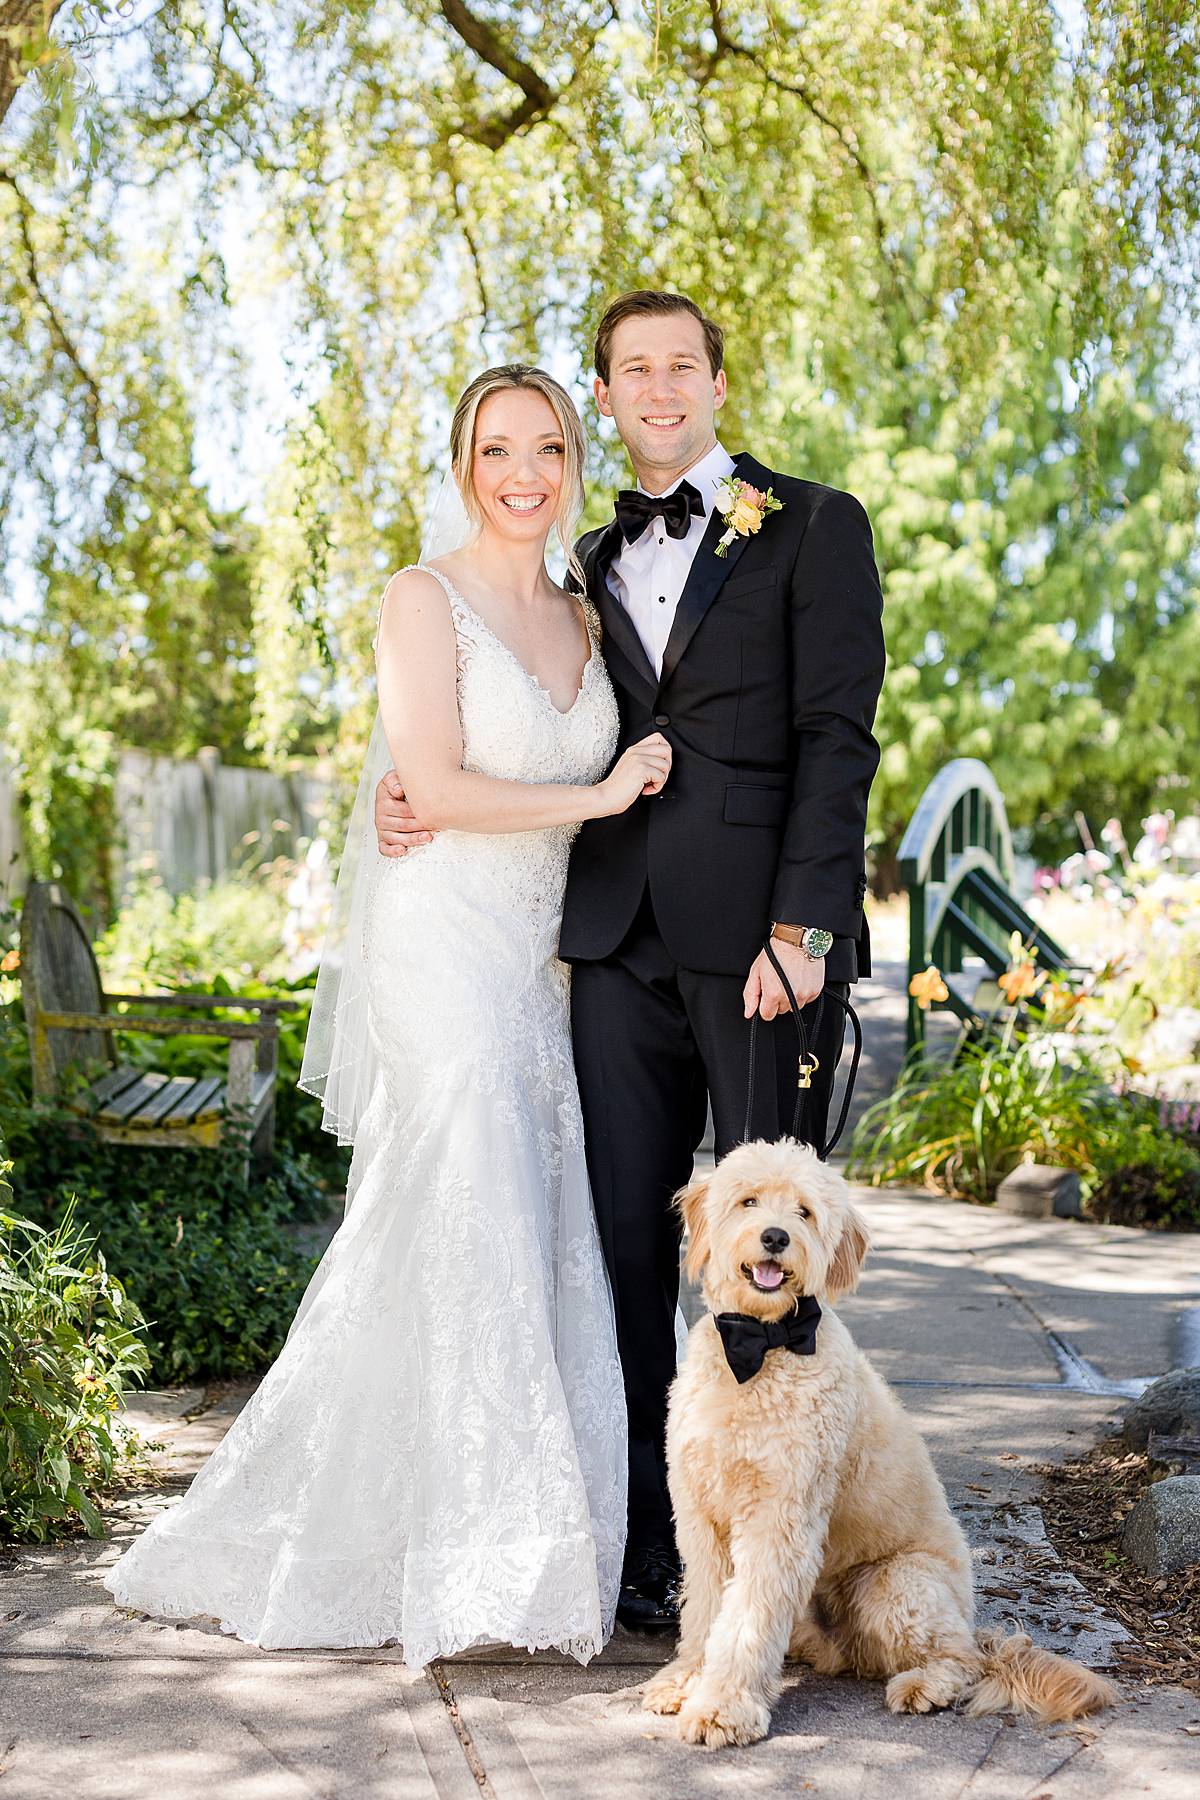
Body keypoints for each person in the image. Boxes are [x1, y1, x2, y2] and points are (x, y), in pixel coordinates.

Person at [104, 365, 672, 1661]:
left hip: (543, 958)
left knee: (523, 1223)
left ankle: (506, 1549)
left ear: (573, 457)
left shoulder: (593, 615)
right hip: (442, 945)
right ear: (463, 461)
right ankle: (478, 1569)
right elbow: (433, 783)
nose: (521, 472)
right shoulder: (423, 598)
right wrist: (605, 795)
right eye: (494, 448)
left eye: (544, 447)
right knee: (472, 1196)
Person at [376, 291, 887, 1631]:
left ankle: (789, 1573)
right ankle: (651, 1551)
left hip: (763, 957)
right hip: (604, 954)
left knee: (773, 1268)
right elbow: (498, 714)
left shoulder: (816, 526)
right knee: (618, 1258)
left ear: (717, 381)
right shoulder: (580, 562)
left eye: (680, 366)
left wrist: (807, 932)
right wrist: (401, 791)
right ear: (605, 397)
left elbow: (841, 741)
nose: (657, 388)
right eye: (631, 371)